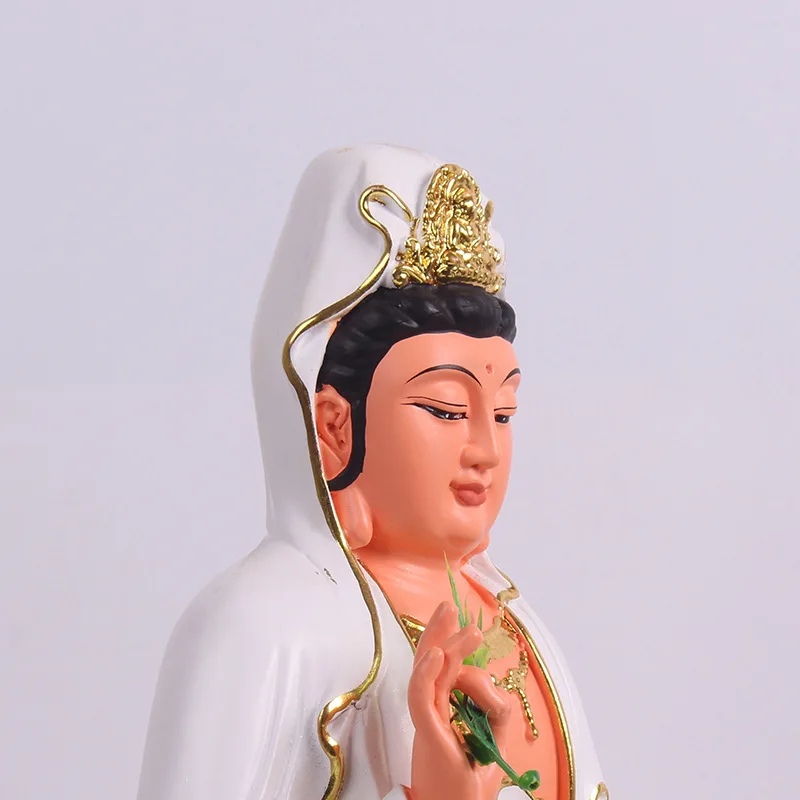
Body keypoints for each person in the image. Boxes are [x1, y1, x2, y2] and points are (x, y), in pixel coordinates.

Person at [137, 145, 609, 800]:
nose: (485, 449)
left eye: (503, 414)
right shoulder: (262, 626)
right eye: (445, 410)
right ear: (334, 425)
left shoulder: (520, 625)